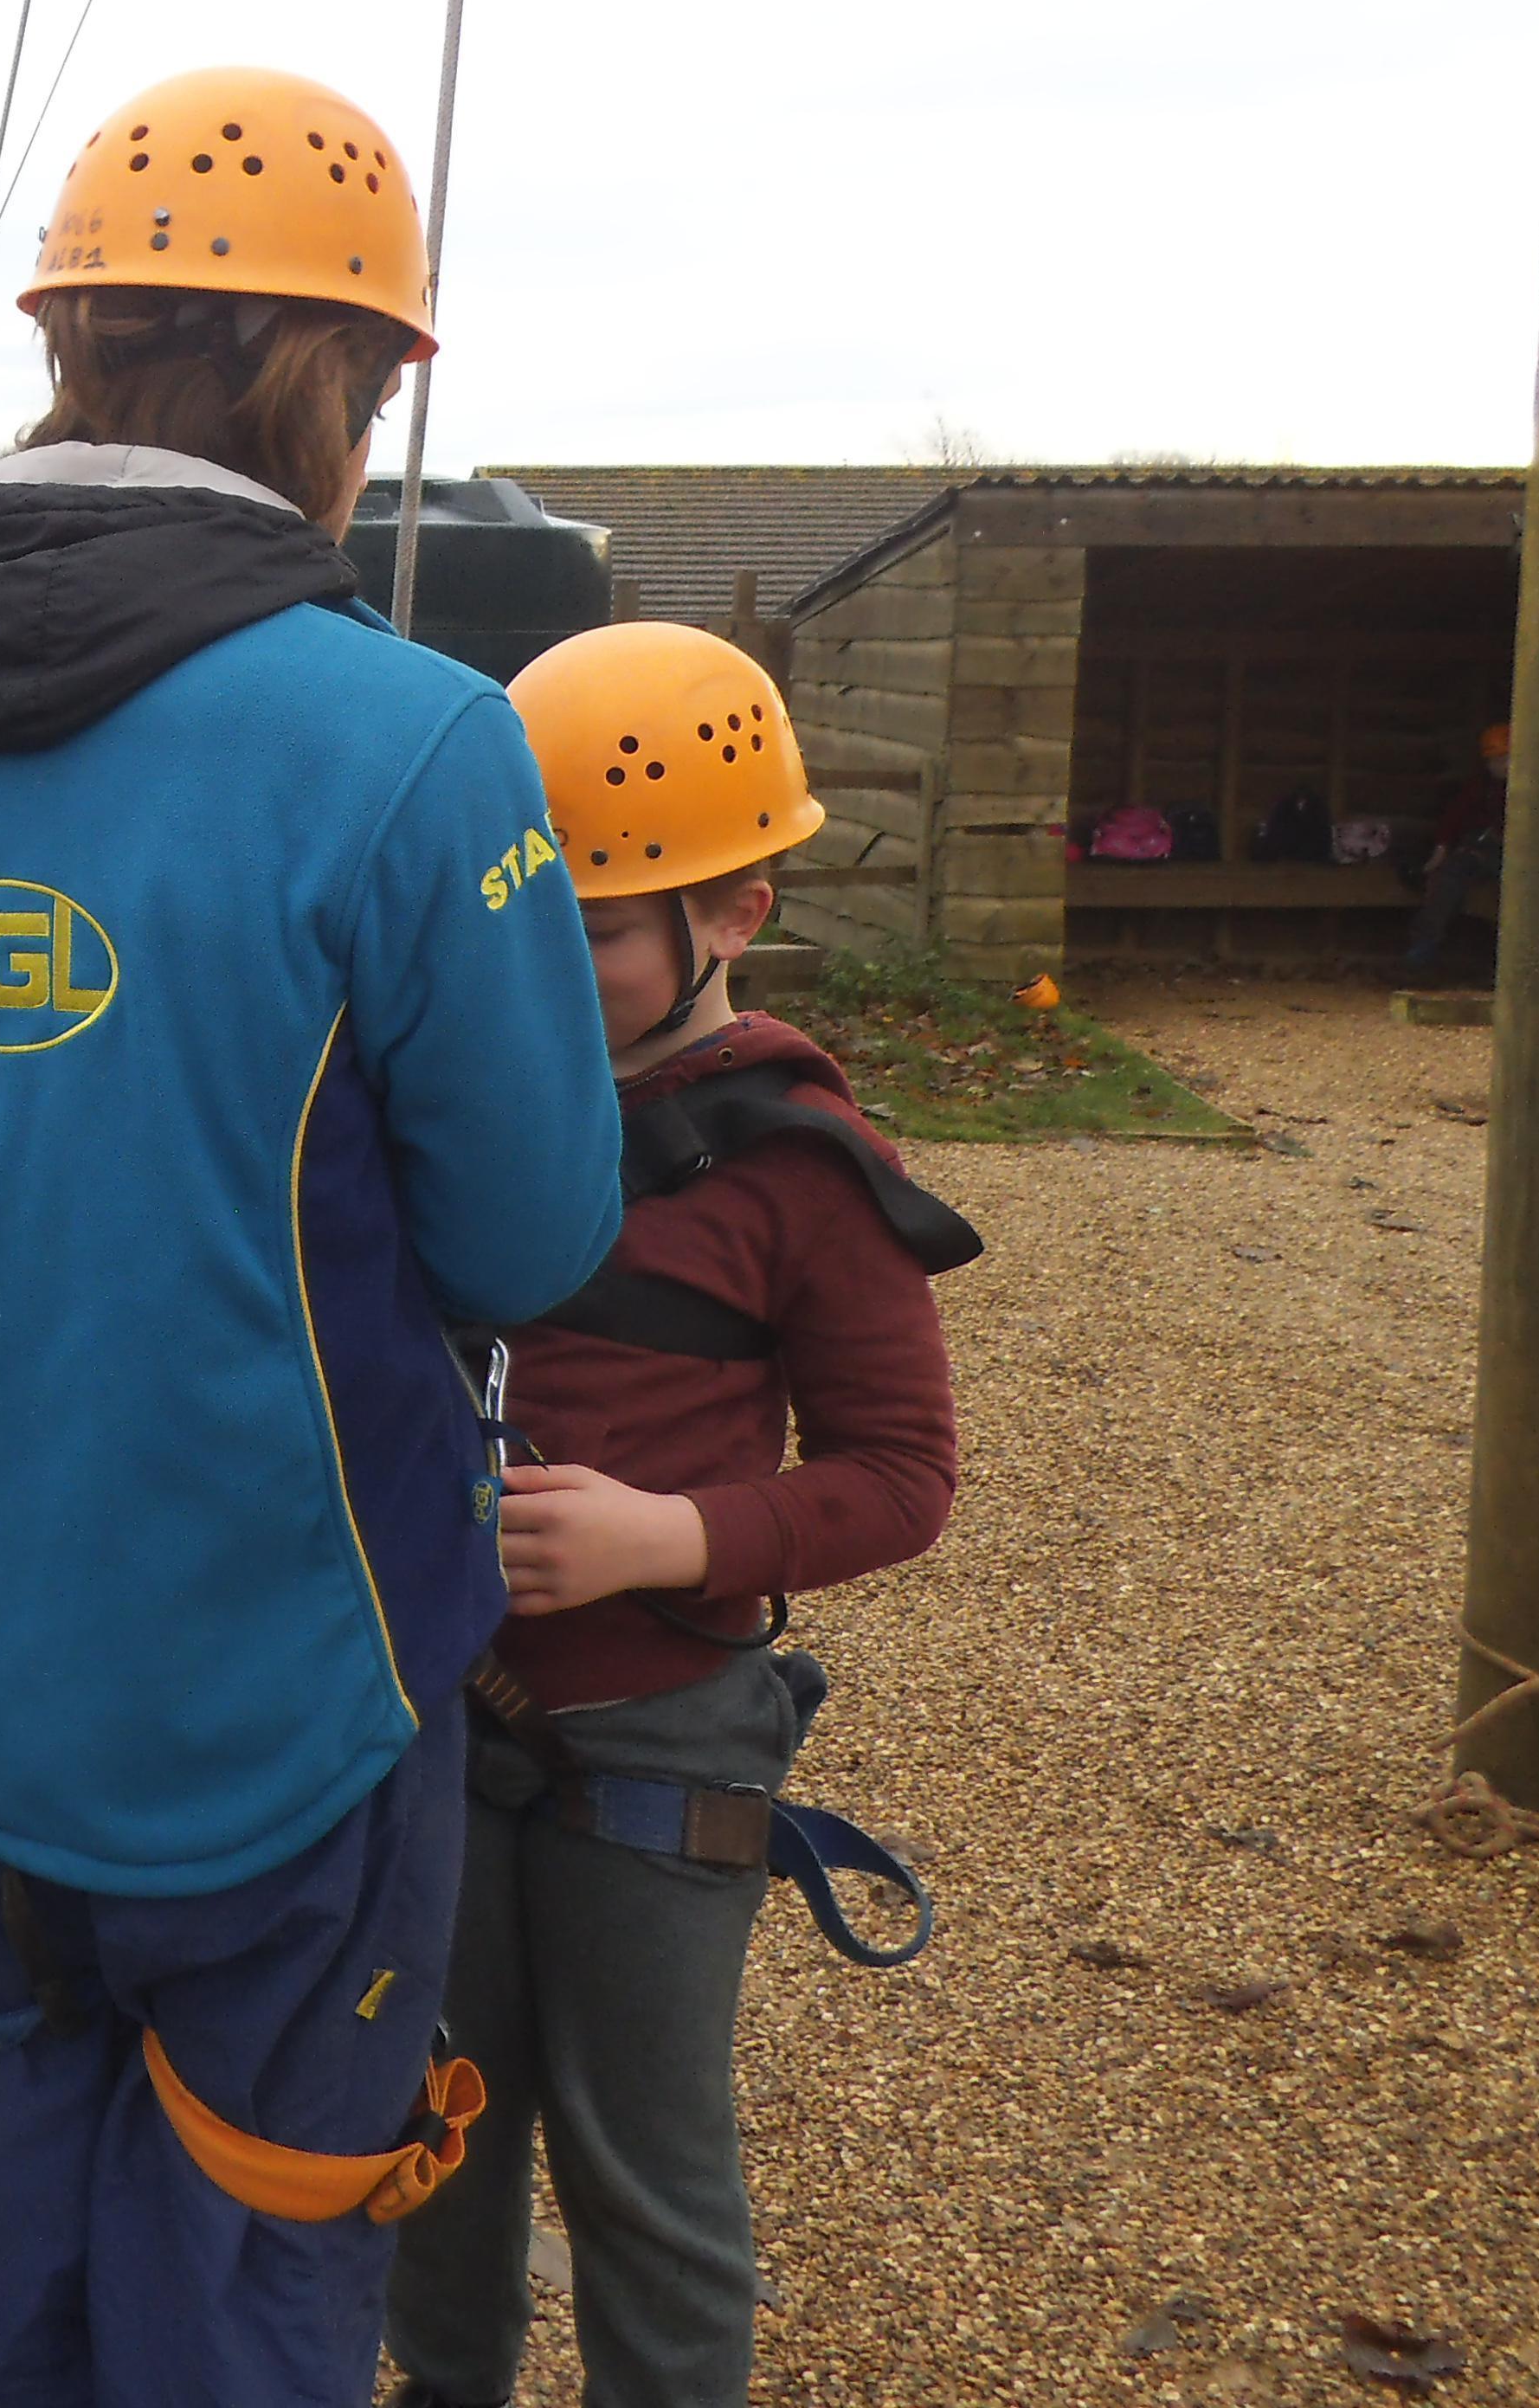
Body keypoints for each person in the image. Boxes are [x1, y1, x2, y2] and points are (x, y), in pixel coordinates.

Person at [0, 68, 626, 2408]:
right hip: (288, 1700)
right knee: (246, 2245)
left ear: (64, 338)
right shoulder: (415, 742)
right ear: (352, 383)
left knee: (26, 2148)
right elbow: (535, 1232)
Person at [377, 621, 969, 2408]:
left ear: (735, 913)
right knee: (427, 2131)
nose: (540, 977)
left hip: (655, 1729)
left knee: (643, 2175)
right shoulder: (457, 1112)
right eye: (516, 929)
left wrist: (667, 1537)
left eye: (592, 937)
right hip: (435, 1712)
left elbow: (900, 1473)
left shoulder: (797, 1168)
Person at [1398, 720, 1510, 977]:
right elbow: (1454, 818)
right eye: (1494, 761)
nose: (1499, 766)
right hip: (1481, 853)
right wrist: (1441, 851)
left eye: (1504, 759)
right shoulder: (1480, 787)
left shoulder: (1534, 789)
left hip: (1518, 860)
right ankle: (1422, 950)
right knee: (1446, 878)